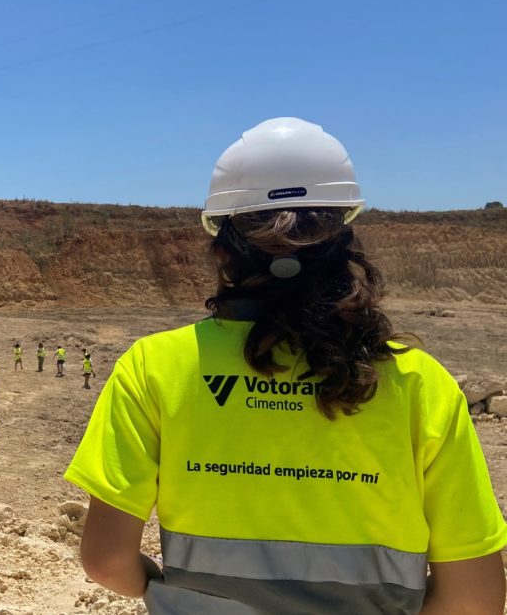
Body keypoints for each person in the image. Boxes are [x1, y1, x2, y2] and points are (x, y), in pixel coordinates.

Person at [65, 117, 507, 613]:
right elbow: (476, 600)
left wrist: (172, 593)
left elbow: (106, 562)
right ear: (343, 239)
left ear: (221, 246)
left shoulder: (152, 368)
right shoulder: (420, 384)